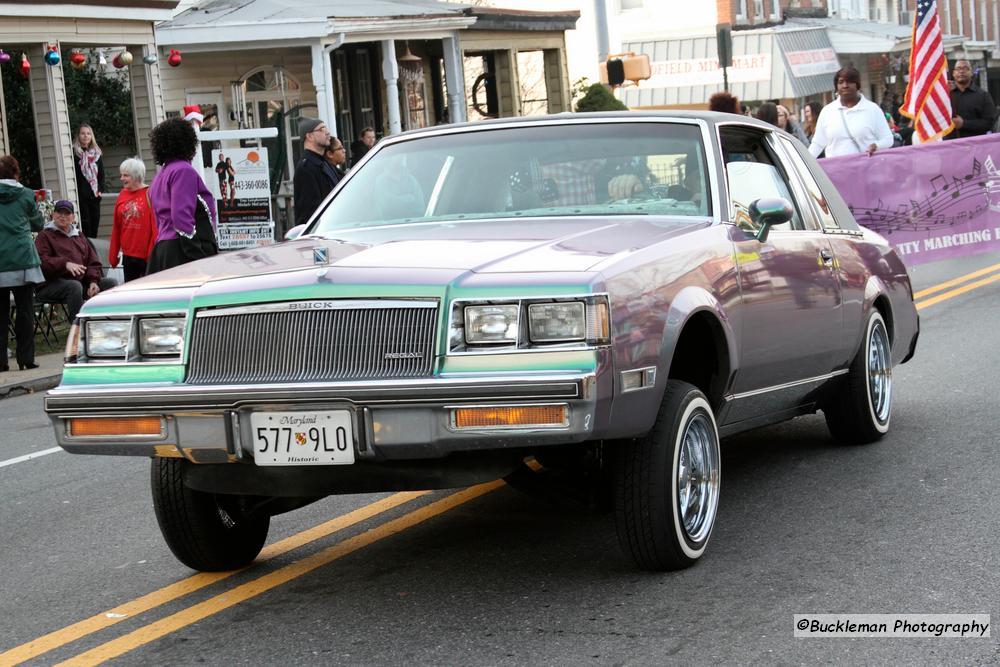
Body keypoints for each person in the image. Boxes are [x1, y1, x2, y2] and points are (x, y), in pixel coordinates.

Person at [146, 117, 219, 274]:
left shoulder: (162, 174)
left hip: (163, 249)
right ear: (188, 141)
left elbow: (160, 218)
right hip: (182, 251)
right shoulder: (183, 171)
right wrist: (197, 257)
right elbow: (181, 216)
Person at [35, 200, 117, 320]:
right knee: (74, 286)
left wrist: (93, 281)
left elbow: (92, 262)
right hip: (50, 284)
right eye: (59, 212)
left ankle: (108, 323)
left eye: (67, 213)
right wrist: (65, 264)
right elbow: (42, 262)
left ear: (73, 217)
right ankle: (78, 328)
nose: (62, 216)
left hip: (80, 282)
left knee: (111, 283)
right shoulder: (44, 235)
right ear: (53, 215)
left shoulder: (79, 235)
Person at [0, 155, 44, 371]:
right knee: (25, 310)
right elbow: (38, 223)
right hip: (23, 257)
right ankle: (26, 358)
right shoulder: (26, 194)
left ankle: (0, 362)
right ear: (16, 172)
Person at [809, 66, 894, 158]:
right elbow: (817, 144)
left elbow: (888, 139)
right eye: (841, 82)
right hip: (835, 170)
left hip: (867, 168)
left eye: (849, 81)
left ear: (858, 85)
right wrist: (804, 164)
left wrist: (876, 145)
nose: (845, 85)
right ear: (836, 87)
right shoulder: (827, 111)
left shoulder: (872, 109)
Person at [109, 158, 157, 282]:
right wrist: (113, 255)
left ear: (136, 176)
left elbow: (155, 228)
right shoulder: (122, 194)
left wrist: (151, 255)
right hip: (128, 255)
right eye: (121, 175)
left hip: (146, 257)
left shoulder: (150, 193)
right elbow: (117, 226)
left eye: (126, 175)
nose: (122, 178)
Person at [293, 117, 339, 226]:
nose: (327, 132)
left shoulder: (325, 163)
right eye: (322, 129)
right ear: (309, 136)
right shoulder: (306, 168)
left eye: (326, 128)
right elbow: (309, 212)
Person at [946, 59, 996, 140]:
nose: (961, 71)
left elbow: (989, 123)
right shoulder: (947, 95)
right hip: (950, 146)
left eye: (965, 68)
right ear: (953, 73)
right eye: (958, 69)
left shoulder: (983, 95)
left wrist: (964, 124)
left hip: (976, 147)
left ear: (971, 72)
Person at [72, 123, 107, 238]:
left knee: (94, 226)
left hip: (95, 195)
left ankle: (93, 253)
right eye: (82, 133)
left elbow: (101, 175)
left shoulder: (96, 154)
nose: (85, 136)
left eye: (88, 134)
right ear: (78, 136)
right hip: (82, 197)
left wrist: (100, 190)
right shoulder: (75, 154)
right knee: (85, 227)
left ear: (91, 137)